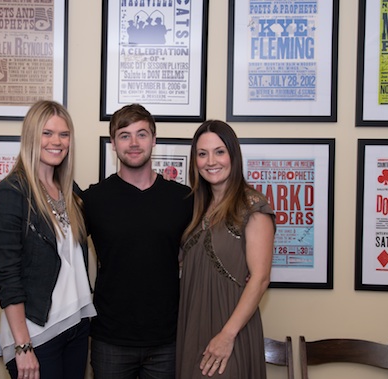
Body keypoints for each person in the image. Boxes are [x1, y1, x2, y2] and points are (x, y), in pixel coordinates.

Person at [0, 100, 96, 379]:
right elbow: (8, 276)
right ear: (31, 136)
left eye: (64, 134)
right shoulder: (12, 192)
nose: (56, 141)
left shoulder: (69, 191)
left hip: (76, 325)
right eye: (47, 133)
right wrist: (23, 347)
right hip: (36, 333)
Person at [81, 103, 193, 378]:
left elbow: (205, 249)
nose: (133, 143)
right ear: (113, 143)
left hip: (167, 339)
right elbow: (59, 247)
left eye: (141, 134)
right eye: (124, 135)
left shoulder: (182, 199)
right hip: (110, 339)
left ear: (154, 140)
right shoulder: (94, 200)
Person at [175, 120, 276, 378]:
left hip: (230, 331)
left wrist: (227, 336)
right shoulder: (196, 207)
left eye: (219, 151)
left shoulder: (252, 206)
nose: (211, 161)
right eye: (202, 153)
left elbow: (260, 278)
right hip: (193, 326)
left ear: (233, 155)